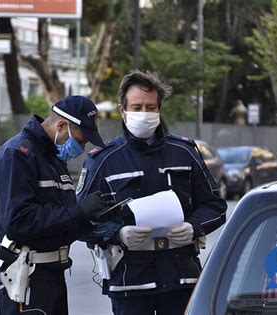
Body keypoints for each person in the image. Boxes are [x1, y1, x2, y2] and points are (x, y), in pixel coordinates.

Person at [76, 70, 228, 315]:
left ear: (159, 110)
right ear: (122, 110)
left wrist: (194, 227)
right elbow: (79, 220)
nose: (144, 114)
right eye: (137, 107)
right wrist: (118, 233)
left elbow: (216, 207)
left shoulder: (185, 152)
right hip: (130, 283)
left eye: (150, 107)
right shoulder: (103, 160)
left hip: (181, 279)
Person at [0, 95, 114, 315]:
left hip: (52, 274)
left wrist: (93, 217)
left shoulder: (52, 159)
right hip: (27, 278)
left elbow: (60, 221)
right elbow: (19, 221)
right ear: (62, 125)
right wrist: (78, 211)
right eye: (81, 140)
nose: (82, 148)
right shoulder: (18, 155)